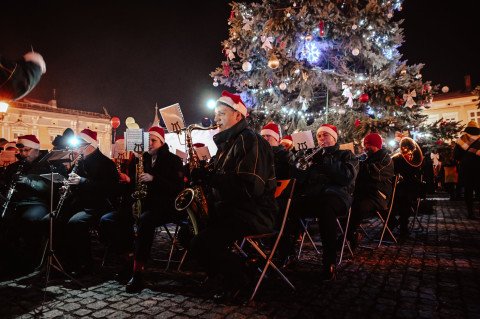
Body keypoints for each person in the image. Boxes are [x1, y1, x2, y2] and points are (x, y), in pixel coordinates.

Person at [190, 91, 277, 304]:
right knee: (188, 233)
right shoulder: (228, 143)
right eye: (215, 114)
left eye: (221, 113)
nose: (216, 119)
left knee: (202, 243)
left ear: (238, 116)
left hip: (252, 213)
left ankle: (240, 276)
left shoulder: (251, 141)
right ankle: (224, 272)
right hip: (230, 209)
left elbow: (250, 188)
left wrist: (212, 178)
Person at [106, 126, 185, 293]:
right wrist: (129, 180)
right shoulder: (142, 158)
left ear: (162, 141)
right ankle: (127, 259)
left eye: (153, 140)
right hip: (143, 203)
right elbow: (136, 182)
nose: (149, 144)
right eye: (147, 140)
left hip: (164, 206)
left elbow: (177, 188)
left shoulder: (174, 160)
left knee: (145, 221)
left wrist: (154, 179)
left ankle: (138, 273)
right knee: (111, 219)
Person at [293, 124, 358, 281]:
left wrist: (326, 160)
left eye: (325, 135)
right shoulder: (314, 156)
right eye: (319, 136)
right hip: (315, 196)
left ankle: (329, 261)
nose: (322, 139)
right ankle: (286, 253)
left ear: (334, 138)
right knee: (290, 205)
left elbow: (346, 177)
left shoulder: (346, 154)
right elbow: (300, 181)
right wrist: (304, 165)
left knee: (326, 207)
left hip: (337, 197)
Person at [57, 129, 120, 276]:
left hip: (99, 206)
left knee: (75, 223)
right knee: (57, 218)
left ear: (89, 145)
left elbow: (111, 189)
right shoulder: (79, 162)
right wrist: (67, 188)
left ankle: (84, 263)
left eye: (79, 146)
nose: (76, 149)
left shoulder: (106, 163)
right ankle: (66, 260)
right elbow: (74, 184)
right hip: (80, 204)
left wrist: (83, 181)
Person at [0, 135, 63, 274]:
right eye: (21, 151)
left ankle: (28, 261)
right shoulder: (15, 166)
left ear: (36, 150)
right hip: (16, 203)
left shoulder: (49, 165)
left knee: (29, 220)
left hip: (38, 202)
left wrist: (29, 181)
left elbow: (52, 187)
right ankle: (8, 259)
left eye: (26, 151)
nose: (23, 154)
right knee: (5, 221)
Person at [347, 133, 394, 250]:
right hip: (364, 194)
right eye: (365, 145)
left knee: (357, 207)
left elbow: (375, 173)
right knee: (345, 204)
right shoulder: (368, 158)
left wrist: (357, 165)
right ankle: (351, 236)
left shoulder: (386, 159)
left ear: (376, 145)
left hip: (378, 196)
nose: (365, 148)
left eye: (368, 145)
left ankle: (346, 238)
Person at [453, 120, 480, 219]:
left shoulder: (462, 138)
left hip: (467, 167)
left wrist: (464, 158)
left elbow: (456, 155)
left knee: (468, 190)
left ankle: (470, 213)